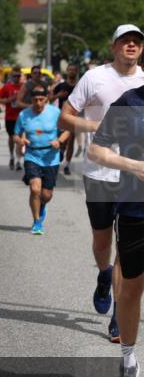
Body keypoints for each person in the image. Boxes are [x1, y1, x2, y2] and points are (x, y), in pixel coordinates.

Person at [61, 24, 144, 343]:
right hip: (98, 173)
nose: (132, 45)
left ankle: (117, 319)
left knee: (126, 250)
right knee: (101, 242)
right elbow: (65, 117)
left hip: (132, 180)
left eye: (137, 42)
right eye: (126, 41)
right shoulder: (94, 77)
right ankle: (103, 275)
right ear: (114, 47)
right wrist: (100, 125)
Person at [87, 83, 144, 377]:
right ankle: (128, 360)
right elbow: (97, 149)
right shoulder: (130, 102)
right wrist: (134, 166)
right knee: (132, 290)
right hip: (136, 209)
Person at [14, 85, 70, 234]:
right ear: (31, 100)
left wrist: (59, 141)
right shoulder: (23, 115)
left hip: (51, 158)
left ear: (46, 99)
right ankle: (37, 222)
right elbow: (16, 134)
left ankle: (42, 205)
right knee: (35, 188)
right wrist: (20, 141)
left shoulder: (56, 113)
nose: (38, 103)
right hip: (32, 155)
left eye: (41, 99)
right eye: (34, 100)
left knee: (46, 195)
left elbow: (67, 131)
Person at [52, 65, 79, 175]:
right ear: (67, 71)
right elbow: (49, 99)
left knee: (71, 141)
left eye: (74, 70)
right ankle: (62, 150)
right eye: (70, 70)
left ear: (76, 72)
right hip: (62, 117)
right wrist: (58, 95)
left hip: (74, 117)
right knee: (62, 140)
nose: (72, 72)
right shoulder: (61, 86)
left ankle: (67, 165)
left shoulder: (79, 86)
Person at [0, 68, 26, 169]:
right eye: (14, 76)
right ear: (11, 76)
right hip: (10, 116)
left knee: (19, 138)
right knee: (11, 138)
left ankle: (18, 160)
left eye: (18, 76)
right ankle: (12, 156)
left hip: (22, 116)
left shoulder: (24, 87)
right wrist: (9, 100)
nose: (16, 78)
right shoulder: (7, 87)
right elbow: (0, 100)